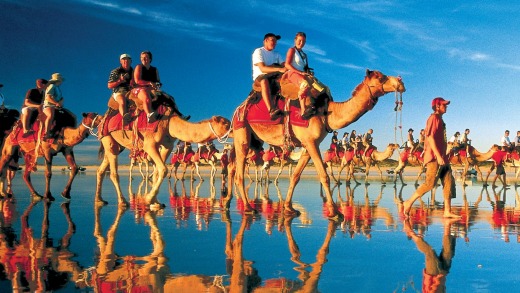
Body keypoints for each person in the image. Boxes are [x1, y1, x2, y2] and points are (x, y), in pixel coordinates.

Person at [402, 97, 460, 218]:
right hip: (434, 157)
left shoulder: (440, 119)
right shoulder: (433, 118)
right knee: (430, 183)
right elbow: (430, 138)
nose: (446, 106)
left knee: (449, 182)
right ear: (437, 106)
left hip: (443, 157)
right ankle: (409, 202)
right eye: (444, 105)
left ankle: (447, 210)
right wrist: (438, 156)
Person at [252, 33, 287, 120]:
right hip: (261, 76)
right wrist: (278, 69)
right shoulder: (258, 51)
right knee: (264, 81)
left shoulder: (277, 54)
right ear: (265, 41)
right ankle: (271, 110)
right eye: (273, 40)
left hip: (274, 76)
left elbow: (284, 65)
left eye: (276, 41)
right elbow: (263, 68)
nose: (275, 43)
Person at [284, 32, 316, 119]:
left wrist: (308, 72)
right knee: (304, 84)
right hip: (293, 73)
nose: (301, 43)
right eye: (299, 40)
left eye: (304, 42)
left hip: (303, 74)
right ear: (295, 40)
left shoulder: (304, 55)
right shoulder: (292, 50)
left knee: (322, 88)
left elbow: (305, 68)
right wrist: (299, 72)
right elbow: (287, 64)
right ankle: (303, 110)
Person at [133, 50, 161, 123]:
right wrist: (149, 83)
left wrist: (157, 84)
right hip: (139, 88)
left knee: (168, 98)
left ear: (150, 59)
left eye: (145, 57)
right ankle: (149, 114)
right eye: (142, 58)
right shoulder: (139, 67)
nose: (143, 59)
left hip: (151, 88)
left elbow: (158, 81)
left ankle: (178, 115)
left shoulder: (155, 70)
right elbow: (137, 81)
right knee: (146, 97)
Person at [108, 53, 134, 121]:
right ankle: (125, 117)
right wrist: (120, 81)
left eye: (127, 59)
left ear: (131, 61)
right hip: (119, 92)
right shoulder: (115, 71)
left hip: (132, 91)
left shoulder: (134, 72)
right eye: (124, 60)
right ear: (120, 61)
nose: (126, 61)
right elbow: (109, 85)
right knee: (122, 101)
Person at [43, 73, 65, 139]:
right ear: (58, 80)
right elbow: (48, 97)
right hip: (49, 106)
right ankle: (46, 133)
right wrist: (56, 103)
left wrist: (61, 102)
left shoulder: (57, 88)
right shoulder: (52, 86)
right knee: (50, 115)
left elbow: (60, 99)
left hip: (57, 107)